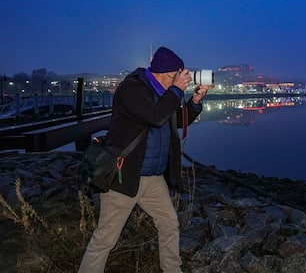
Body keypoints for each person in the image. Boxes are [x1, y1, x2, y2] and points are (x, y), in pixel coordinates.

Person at [78, 46, 211, 273]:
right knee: (105, 239)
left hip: (153, 178)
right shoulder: (131, 89)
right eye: (174, 77)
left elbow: (176, 119)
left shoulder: (163, 92)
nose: (176, 81)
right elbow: (155, 117)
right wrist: (177, 90)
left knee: (169, 224)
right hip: (125, 175)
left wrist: (196, 100)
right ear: (160, 73)